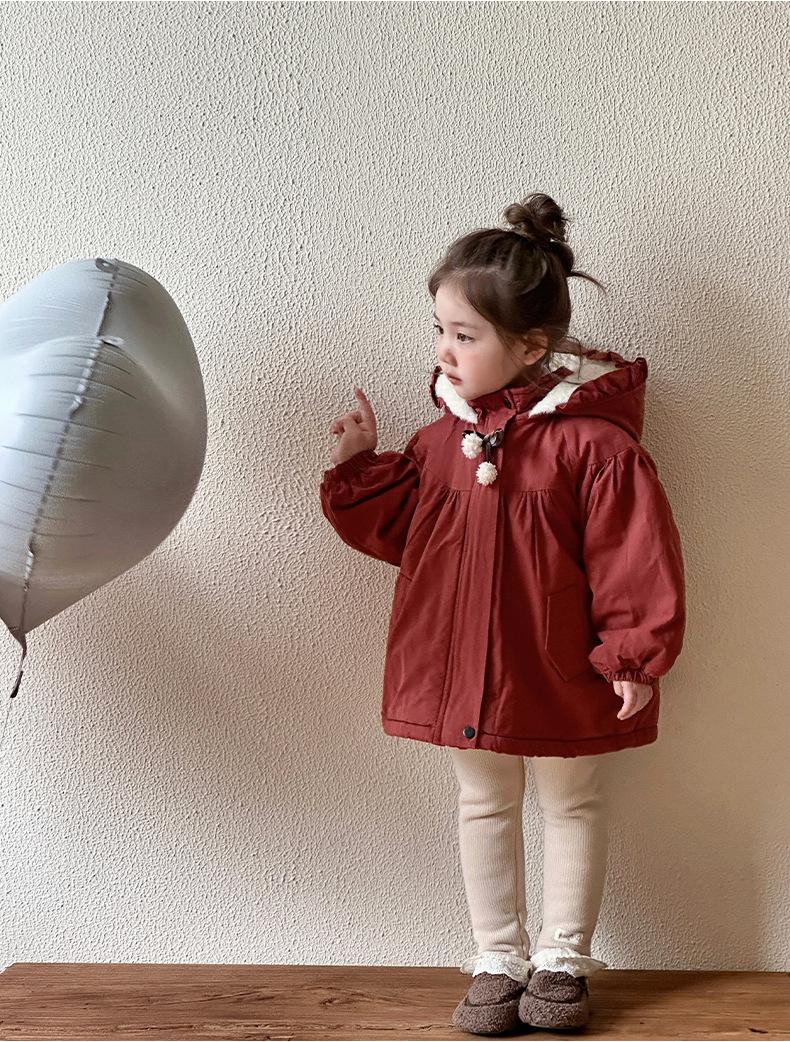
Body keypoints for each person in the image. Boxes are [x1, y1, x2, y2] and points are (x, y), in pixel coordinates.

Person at [319, 192, 686, 1034]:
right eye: (439, 330)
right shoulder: (440, 442)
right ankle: (496, 957)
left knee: (572, 799)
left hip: (559, 663)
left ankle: (562, 960)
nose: (444, 351)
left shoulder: (595, 446)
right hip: (463, 666)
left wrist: (632, 653)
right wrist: (357, 468)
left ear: (530, 346)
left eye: (465, 335)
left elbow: (634, 555)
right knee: (482, 802)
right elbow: (404, 534)